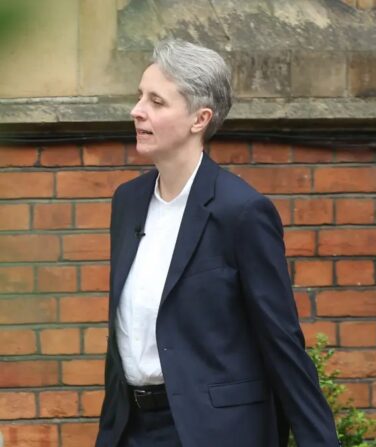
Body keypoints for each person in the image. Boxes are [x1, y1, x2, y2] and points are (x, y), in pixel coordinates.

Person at [96, 39, 338, 447]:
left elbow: (281, 343)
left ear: (199, 119)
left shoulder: (241, 212)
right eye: (140, 97)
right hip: (131, 430)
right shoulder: (128, 202)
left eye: (157, 101)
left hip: (213, 432)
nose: (137, 111)